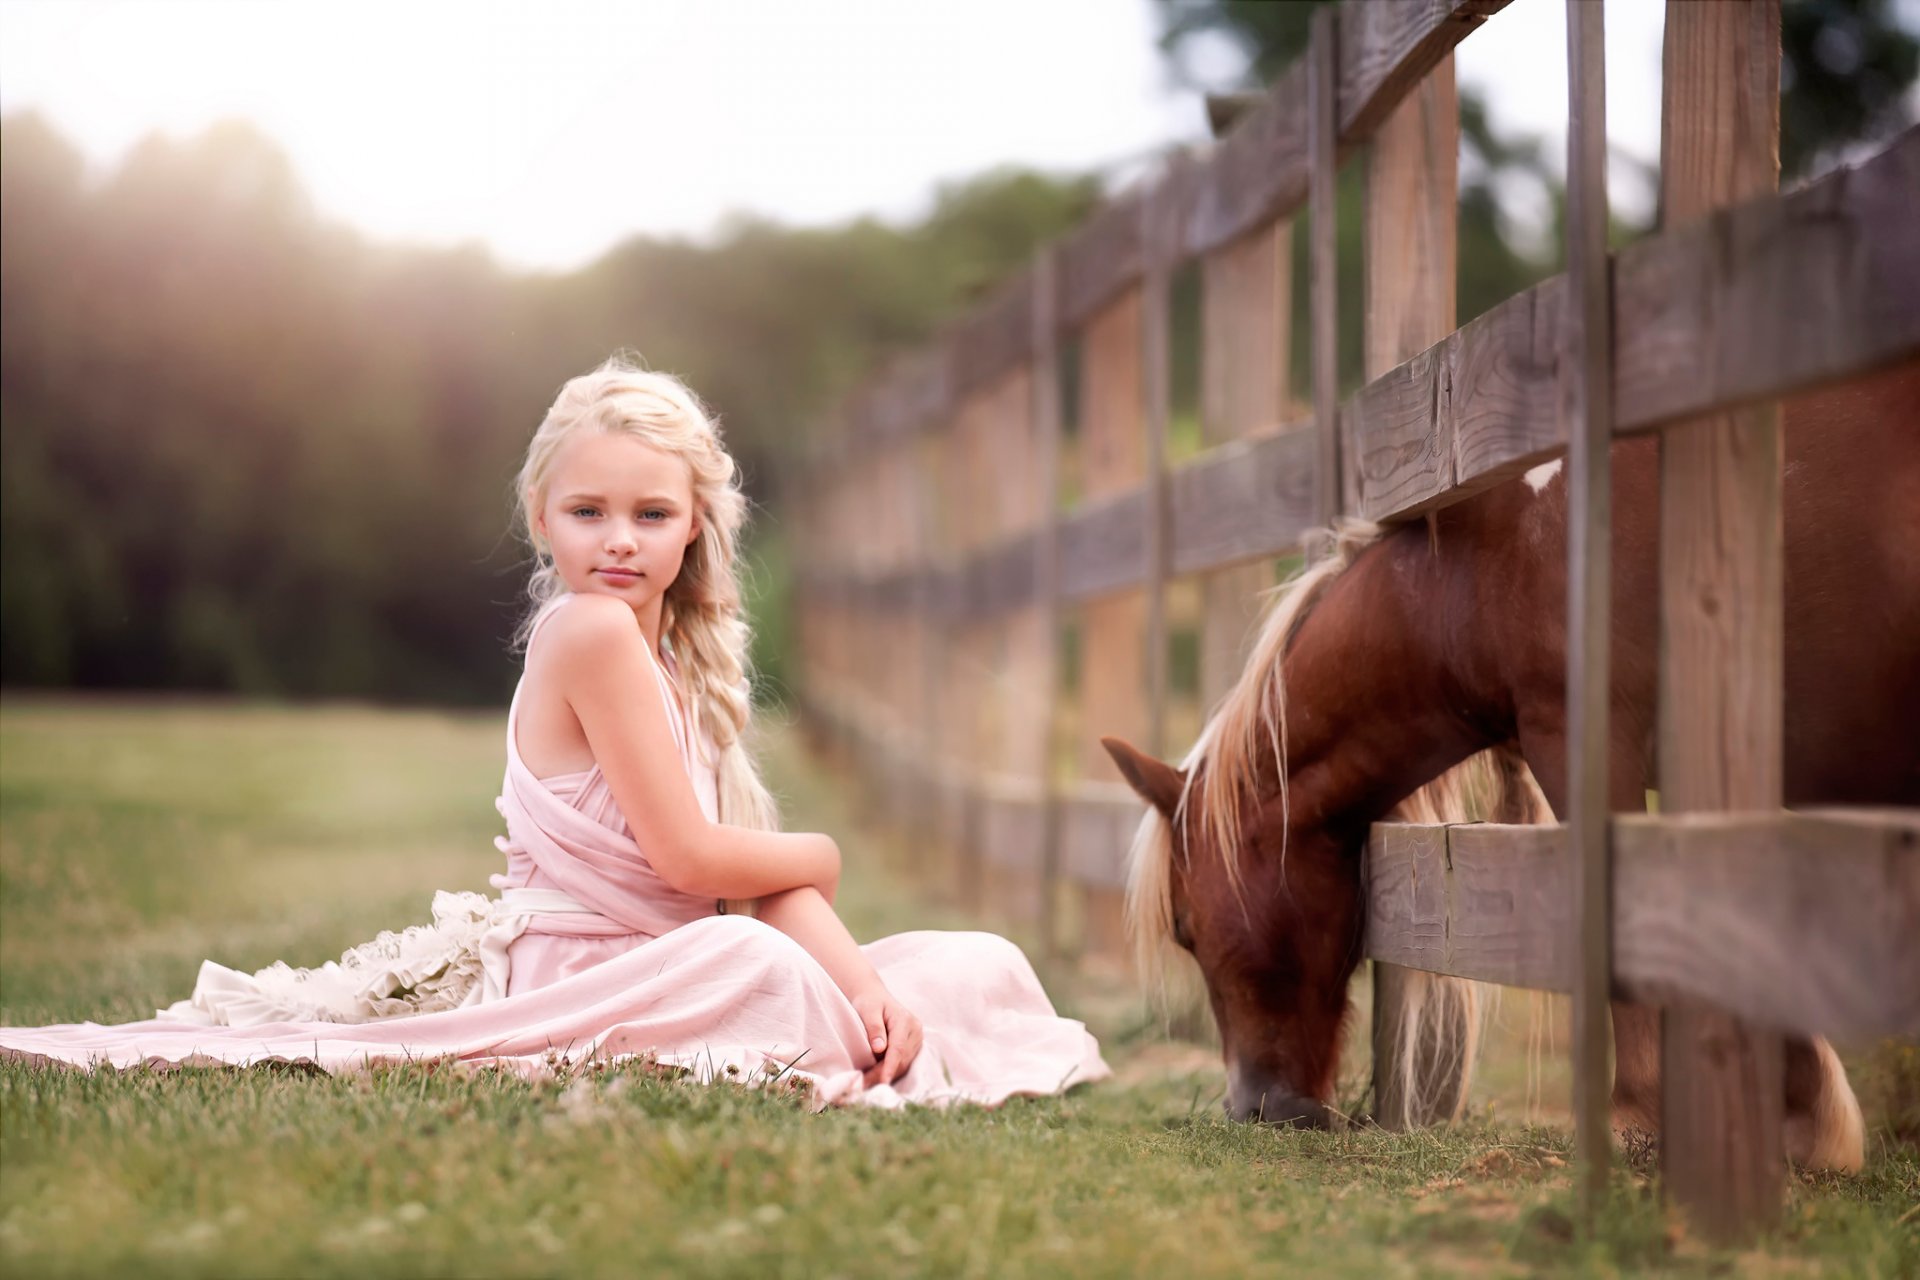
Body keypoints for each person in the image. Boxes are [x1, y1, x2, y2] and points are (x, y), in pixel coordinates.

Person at [0, 355, 1110, 1109]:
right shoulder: (586, 632)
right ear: (542, 515)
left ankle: (854, 1012)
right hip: (591, 962)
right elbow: (697, 866)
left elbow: (742, 880)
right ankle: (816, 1011)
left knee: (970, 964)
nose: (618, 540)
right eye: (589, 512)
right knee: (754, 959)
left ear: (694, 528)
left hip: (686, 948)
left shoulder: (670, 655)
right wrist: (822, 855)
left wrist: (865, 987)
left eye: (652, 513)